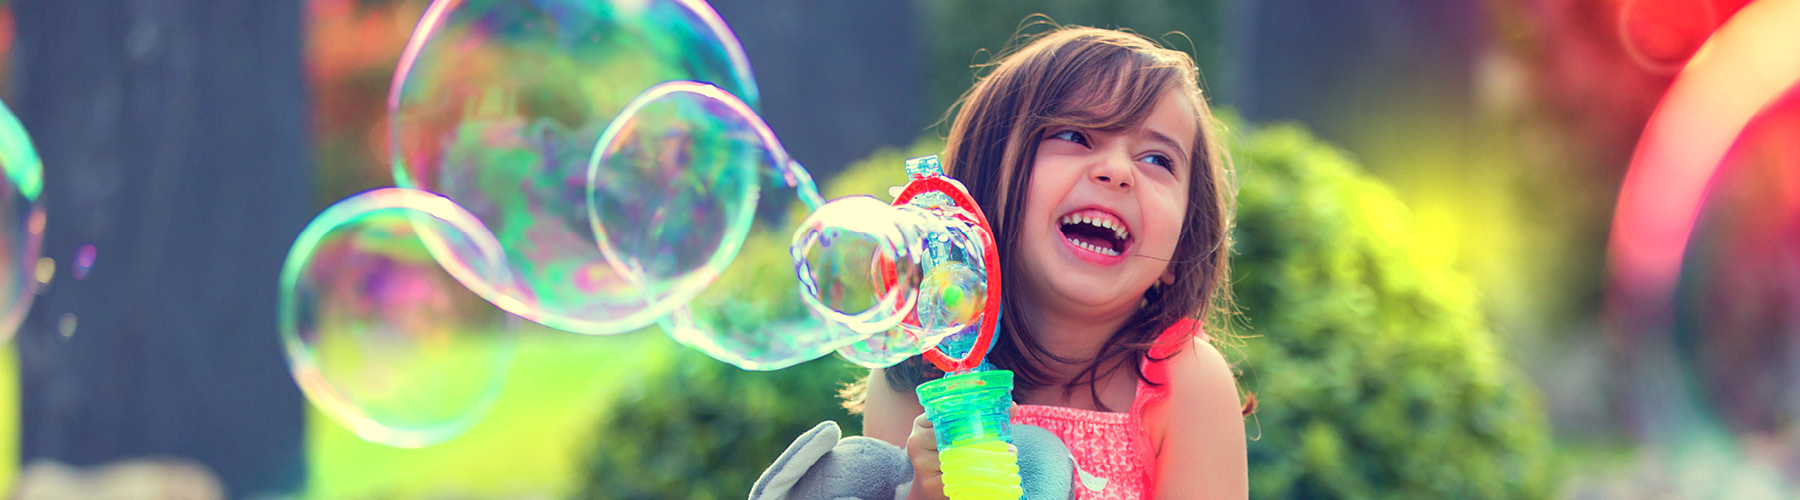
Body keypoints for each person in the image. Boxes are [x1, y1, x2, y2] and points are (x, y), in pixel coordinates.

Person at [845, 24, 1251, 499]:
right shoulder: (919, 369)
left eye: (1158, 160)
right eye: (1075, 135)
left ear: (1179, 250)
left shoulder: (1186, 383)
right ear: (979, 192)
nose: (1118, 172)